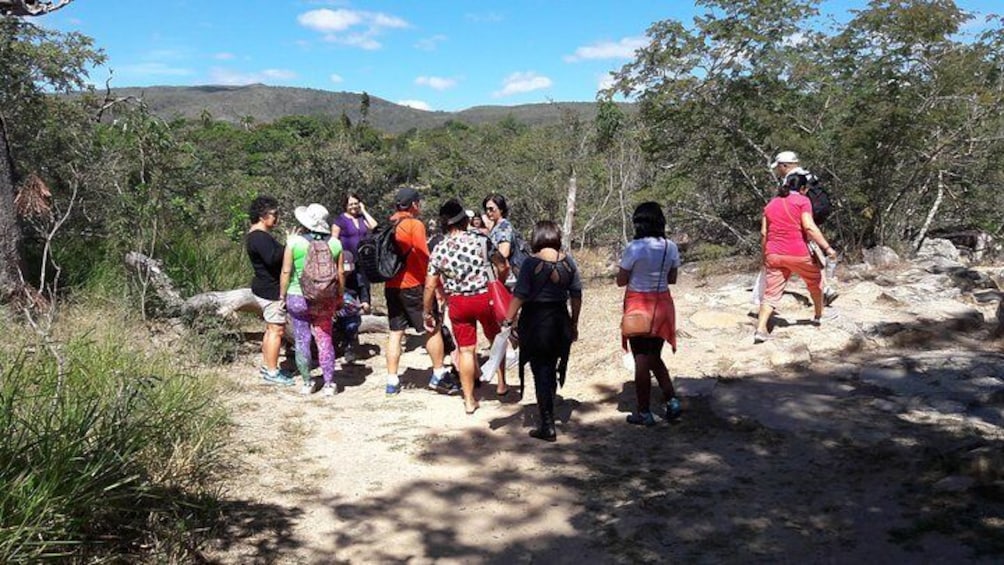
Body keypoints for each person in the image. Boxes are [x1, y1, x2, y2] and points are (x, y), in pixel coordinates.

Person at [503, 220, 582, 441]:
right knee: (552, 367)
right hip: (559, 320)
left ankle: (547, 424)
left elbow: (519, 295)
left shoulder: (530, 263)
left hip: (536, 321)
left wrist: (508, 320)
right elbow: (576, 296)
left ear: (537, 237)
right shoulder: (569, 263)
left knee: (541, 371)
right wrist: (574, 324)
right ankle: (548, 414)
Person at [424, 198, 502, 414]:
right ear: (464, 220)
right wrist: (500, 284)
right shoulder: (481, 240)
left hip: (458, 302)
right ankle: (502, 384)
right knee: (495, 339)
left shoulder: (439, 249)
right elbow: (502, 264)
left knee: (466, 350)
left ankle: (469, 400)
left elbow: (430, 285)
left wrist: (427, 310)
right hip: (483, 297)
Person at [755, 153, 838, 343]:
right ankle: (818, 316)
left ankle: (760, 329)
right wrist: (827, 248)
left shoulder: (770, 205)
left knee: (771, 292)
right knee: (815, 282)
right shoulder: (802, 200)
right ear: (802, 188)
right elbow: (809, 226)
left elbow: (764, 233)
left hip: (774, 254)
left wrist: (764, 256)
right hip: (798, 252)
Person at [617, 202, 683, 427]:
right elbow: (672, 279)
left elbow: (621, 280)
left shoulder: (634, 248)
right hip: (663, 305)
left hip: (638, 304)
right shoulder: (670, 247)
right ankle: (672, 401)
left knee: (641, 360)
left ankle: (644, 412)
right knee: (654, 356)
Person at [384, 186, 451, 396]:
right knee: (431, 327)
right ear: (413, 204)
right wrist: (436, 287)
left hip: (391, 286)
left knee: (396, 332)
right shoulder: (414, 224)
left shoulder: (391, 223)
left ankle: (392, 380)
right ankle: (439, 375)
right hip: (413, 285)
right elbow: (425, 257)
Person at [279, 203, 344, 397]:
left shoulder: (294, 242)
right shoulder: (335, 243)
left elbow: (286, 271)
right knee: (324, 338)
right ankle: (329, 383)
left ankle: (308, 382)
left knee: (302, 340)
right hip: (325, 298)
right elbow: (340, 273)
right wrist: (339, 296)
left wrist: (282, 296)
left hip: (297, 296)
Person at [770, 151, 838, 305]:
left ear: (784, 165)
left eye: (779, 167)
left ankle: (825, 288)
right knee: (811, 247)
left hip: (803, 215)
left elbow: (786, 202)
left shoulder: (791, 179)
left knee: (810, 249)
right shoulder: (807, 174)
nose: (778, 171)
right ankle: (825, 287)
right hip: (815, 214)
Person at [245, 195, 294, 386]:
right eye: (274, 215)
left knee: (270, 329)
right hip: (270, 290)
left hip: (264, 287)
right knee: (276, 330)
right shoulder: (258, 237)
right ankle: (272, 372)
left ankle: (268, 366)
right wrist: (289, 244)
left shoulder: (257, 236)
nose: (277, 218)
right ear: (262, 215)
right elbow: (273, 259)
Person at [332, 193, 377, 314]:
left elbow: (374, 225)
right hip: (346, 258)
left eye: (356, 203)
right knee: (349, 282)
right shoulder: (340, 220)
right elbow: (334, 240)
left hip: (363, 258)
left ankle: (365, 306)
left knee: (364, 282)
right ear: (345, 205)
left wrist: (364, 210)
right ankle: (348, 308)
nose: (353, 206)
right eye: (350, 204)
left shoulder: (362, 218)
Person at [483, 193, 521, 288]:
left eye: (491, 209)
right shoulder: (496, 226)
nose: (488, 212)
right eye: (486, 209)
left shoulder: (503, 227)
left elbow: (504, 253)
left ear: (501, 209)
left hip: (507, 278)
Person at [336, 251, 366, 363]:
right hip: (333, 308)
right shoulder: (331, 275)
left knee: (352, 325)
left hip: (350, 309)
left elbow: (363, 289)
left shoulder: (356, 276)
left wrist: (365, 301)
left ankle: (350, 348)